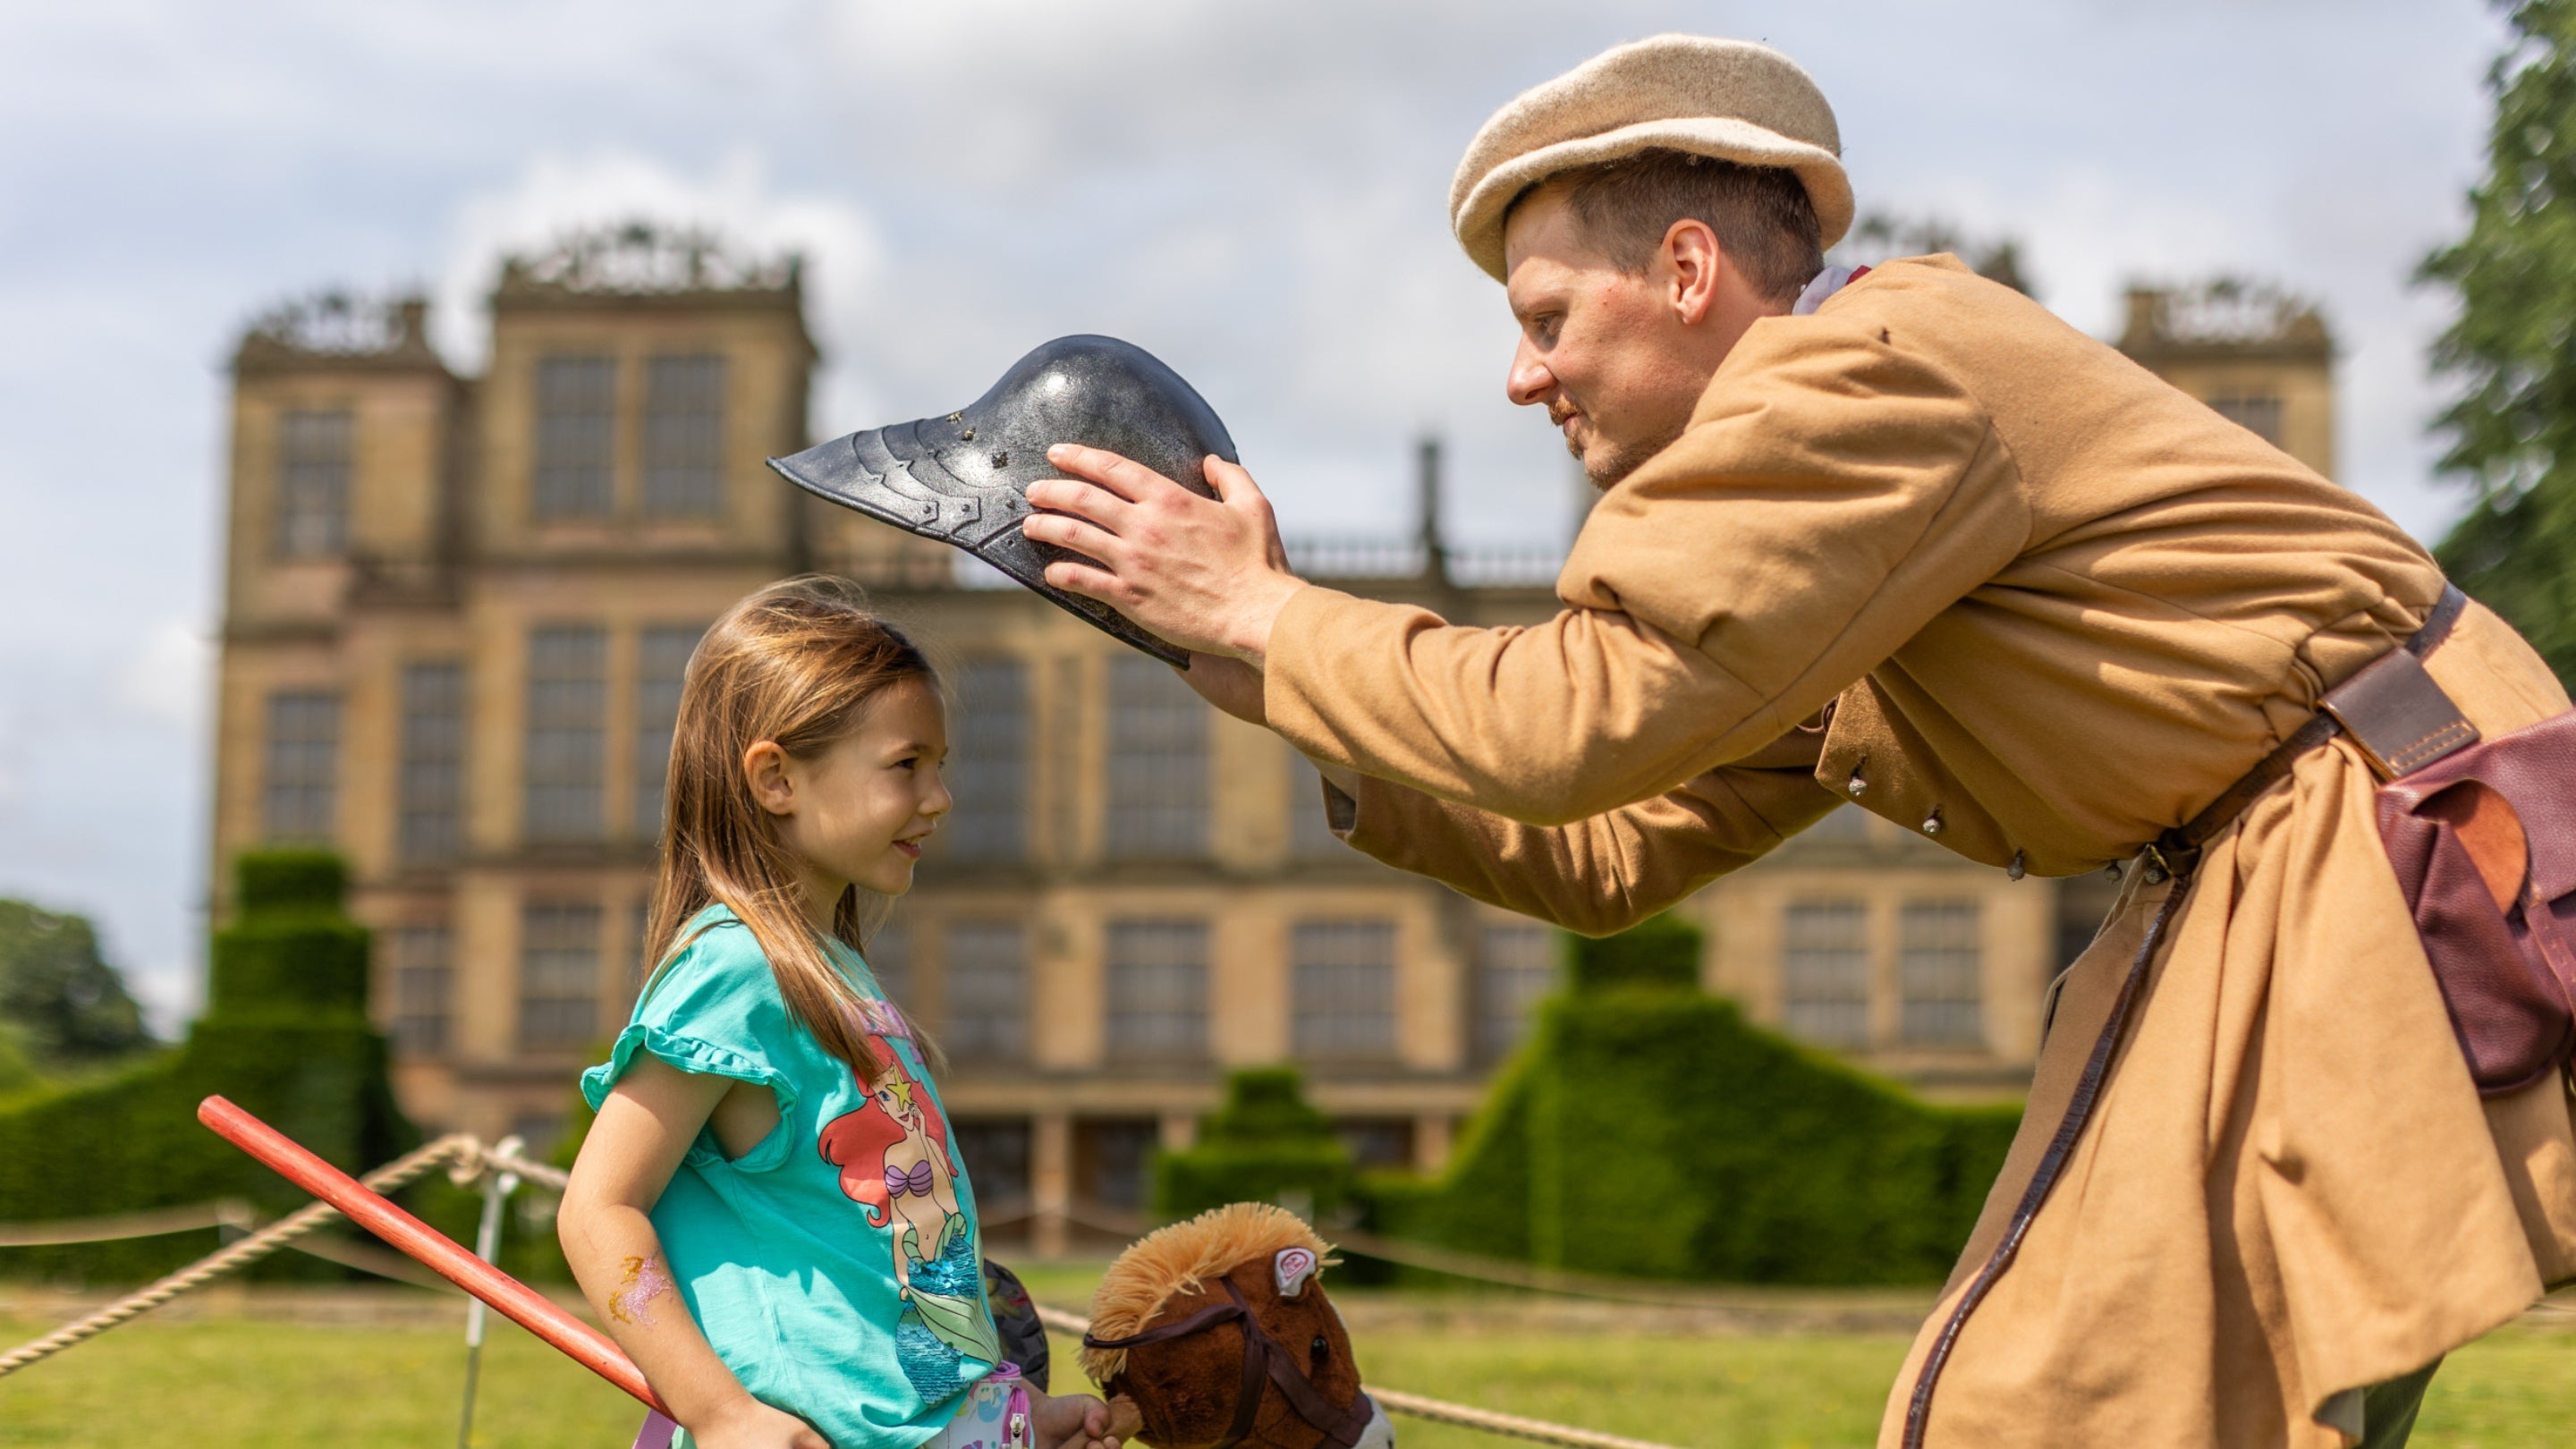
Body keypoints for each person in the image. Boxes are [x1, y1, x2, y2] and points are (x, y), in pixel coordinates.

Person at [1013, 33, 2576, 1449]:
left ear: (1688, 269)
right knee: (2071, 1402)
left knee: (2042, 1409)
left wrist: (1278, 616)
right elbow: (1609, 846)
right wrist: (1287, 695)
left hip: (2381, 843)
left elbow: (1572, 722)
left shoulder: (1867, 376)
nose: (1521, 374)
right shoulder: (1830, 545)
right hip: (2283, 869)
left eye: (1549, 316)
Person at [558, 577, 1127, 1449]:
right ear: (777, 777)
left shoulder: (839, 973)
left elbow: (892, 1271)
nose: (939, 798)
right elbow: (599, 1210)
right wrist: (720, 1413)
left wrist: (1007, 1416)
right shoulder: (733, 968)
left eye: (940, 766)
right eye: (907, 765)